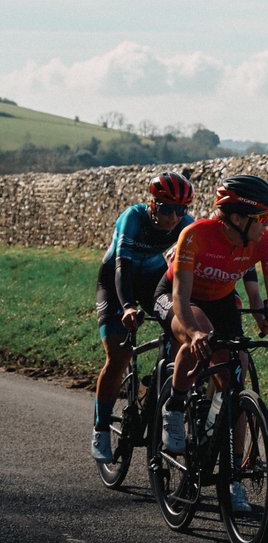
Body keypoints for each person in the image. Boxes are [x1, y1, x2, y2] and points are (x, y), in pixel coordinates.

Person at [154, 175, 268, 511]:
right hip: (177, 296)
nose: (267, 225)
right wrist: (192, 334)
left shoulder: (266, 243)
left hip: (221, 300)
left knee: (237, 373)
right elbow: (180, 294)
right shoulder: (197, 235)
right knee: (200, 334)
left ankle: (232, 476)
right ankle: (174, 405)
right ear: (237, 217)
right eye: (262, 217)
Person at [92, 172, 194, 464]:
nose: (174, 217)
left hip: (153, 284)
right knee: (119, 355)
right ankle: (100, 428)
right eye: (166, 209)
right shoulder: (132, 218)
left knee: (180, 333)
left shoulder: (186, 226)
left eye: (181, 210)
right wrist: (126, 306)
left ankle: (158, 392)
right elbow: (121, 266)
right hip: (115, 284)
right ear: (152, 204)